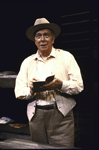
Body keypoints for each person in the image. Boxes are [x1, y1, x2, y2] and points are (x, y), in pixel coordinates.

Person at [14, 18, 84, 147]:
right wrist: (31, 90)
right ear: (35, 41)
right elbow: (18, 92)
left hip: (61, 115)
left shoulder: (66, 57)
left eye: (46, 35)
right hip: (37, 116)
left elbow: (79, 86)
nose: (42, 39)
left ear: (53, 39)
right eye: (38, 36)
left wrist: (61, 85)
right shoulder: (27, 62)